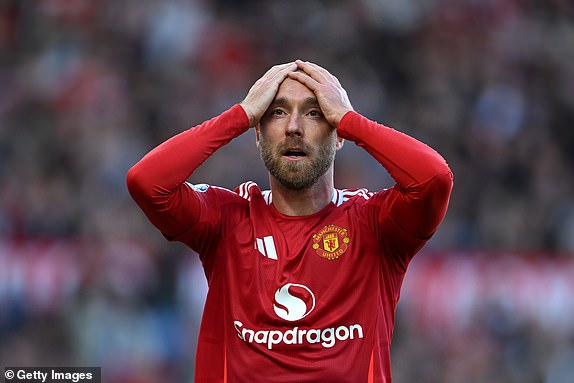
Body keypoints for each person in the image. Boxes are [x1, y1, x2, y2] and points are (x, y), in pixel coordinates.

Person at [127, 60, 453, 383]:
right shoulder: (226, 218)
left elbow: (434, 179)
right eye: (277, 112)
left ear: (339, 134)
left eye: (315, 113)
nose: (293, 127)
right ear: (257, 132)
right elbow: (147, 182)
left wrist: (351, 121)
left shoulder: (376, 224)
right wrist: (240, 115)